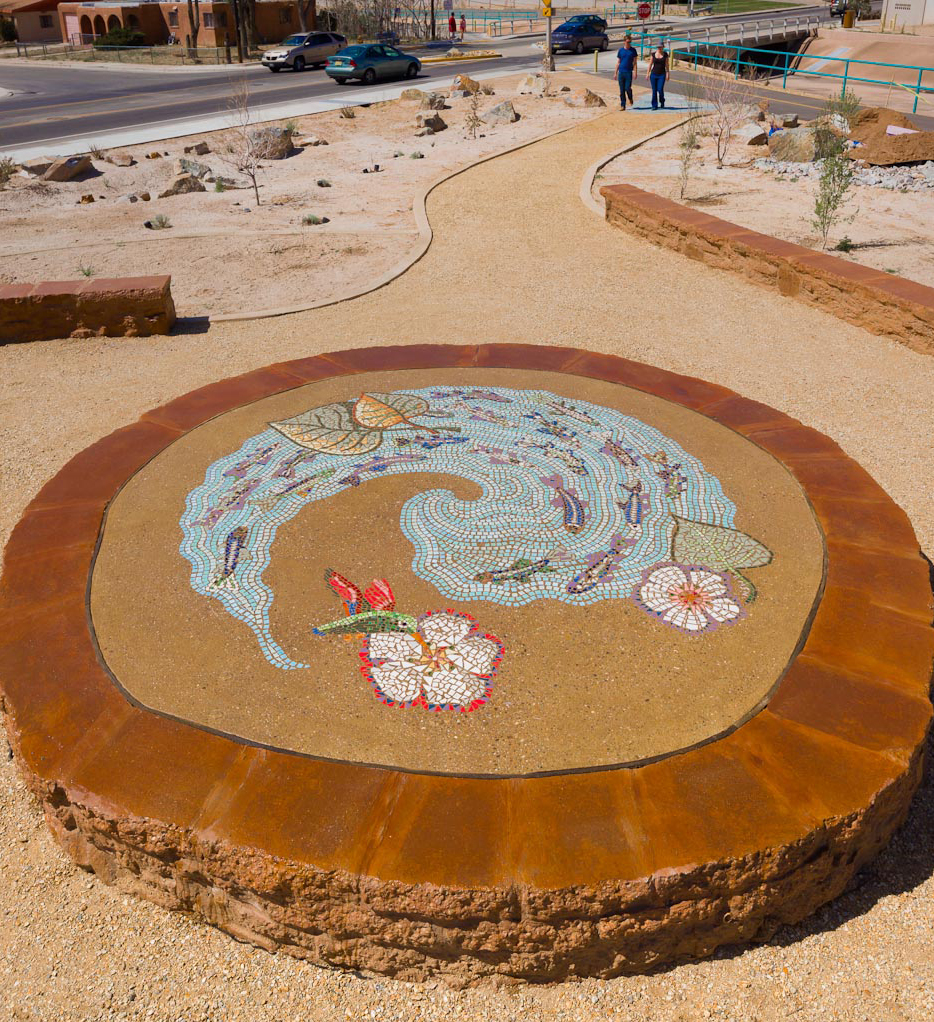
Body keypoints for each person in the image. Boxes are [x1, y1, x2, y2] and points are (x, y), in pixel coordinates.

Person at [615, 34, 637, 110]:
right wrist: (615, 73)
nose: (629, 43)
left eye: (630, 42)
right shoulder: (621, 50)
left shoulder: (633, 51)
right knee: (621, 90)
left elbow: (634, 62)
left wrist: (635, 72)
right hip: (621, 72)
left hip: (628, 72)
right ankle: (623, 105)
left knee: (627, 88)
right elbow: (618, 62)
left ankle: (630, 98)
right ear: (624, 42)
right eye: (627, 42)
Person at [646, 42, 669, 110]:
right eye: (658, 47)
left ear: (663, 47)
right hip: (653, 74)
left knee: (660, 89)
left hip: (662, 74)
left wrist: (668, 73)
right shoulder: (653, 54)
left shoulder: (665, 55)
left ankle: (662, 101)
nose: (659, 48)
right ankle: (654, 105)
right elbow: (650, 64)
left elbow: (667, 65)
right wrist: (647, 73)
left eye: (660, 47)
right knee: (654, 90)